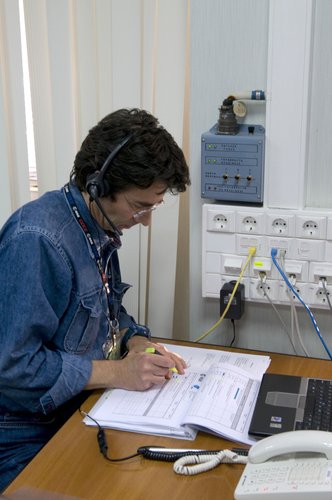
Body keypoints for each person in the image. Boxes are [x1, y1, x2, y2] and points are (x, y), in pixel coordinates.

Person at [0, 108, 191, 491]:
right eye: (141, 206)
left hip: (79, 411)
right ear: (99, 184)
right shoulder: (37, 240)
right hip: (23, 435)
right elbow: (13, 366)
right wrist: (116, 372)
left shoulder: (94, 226)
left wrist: (137, 341)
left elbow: (108, 309)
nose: (146, 221)